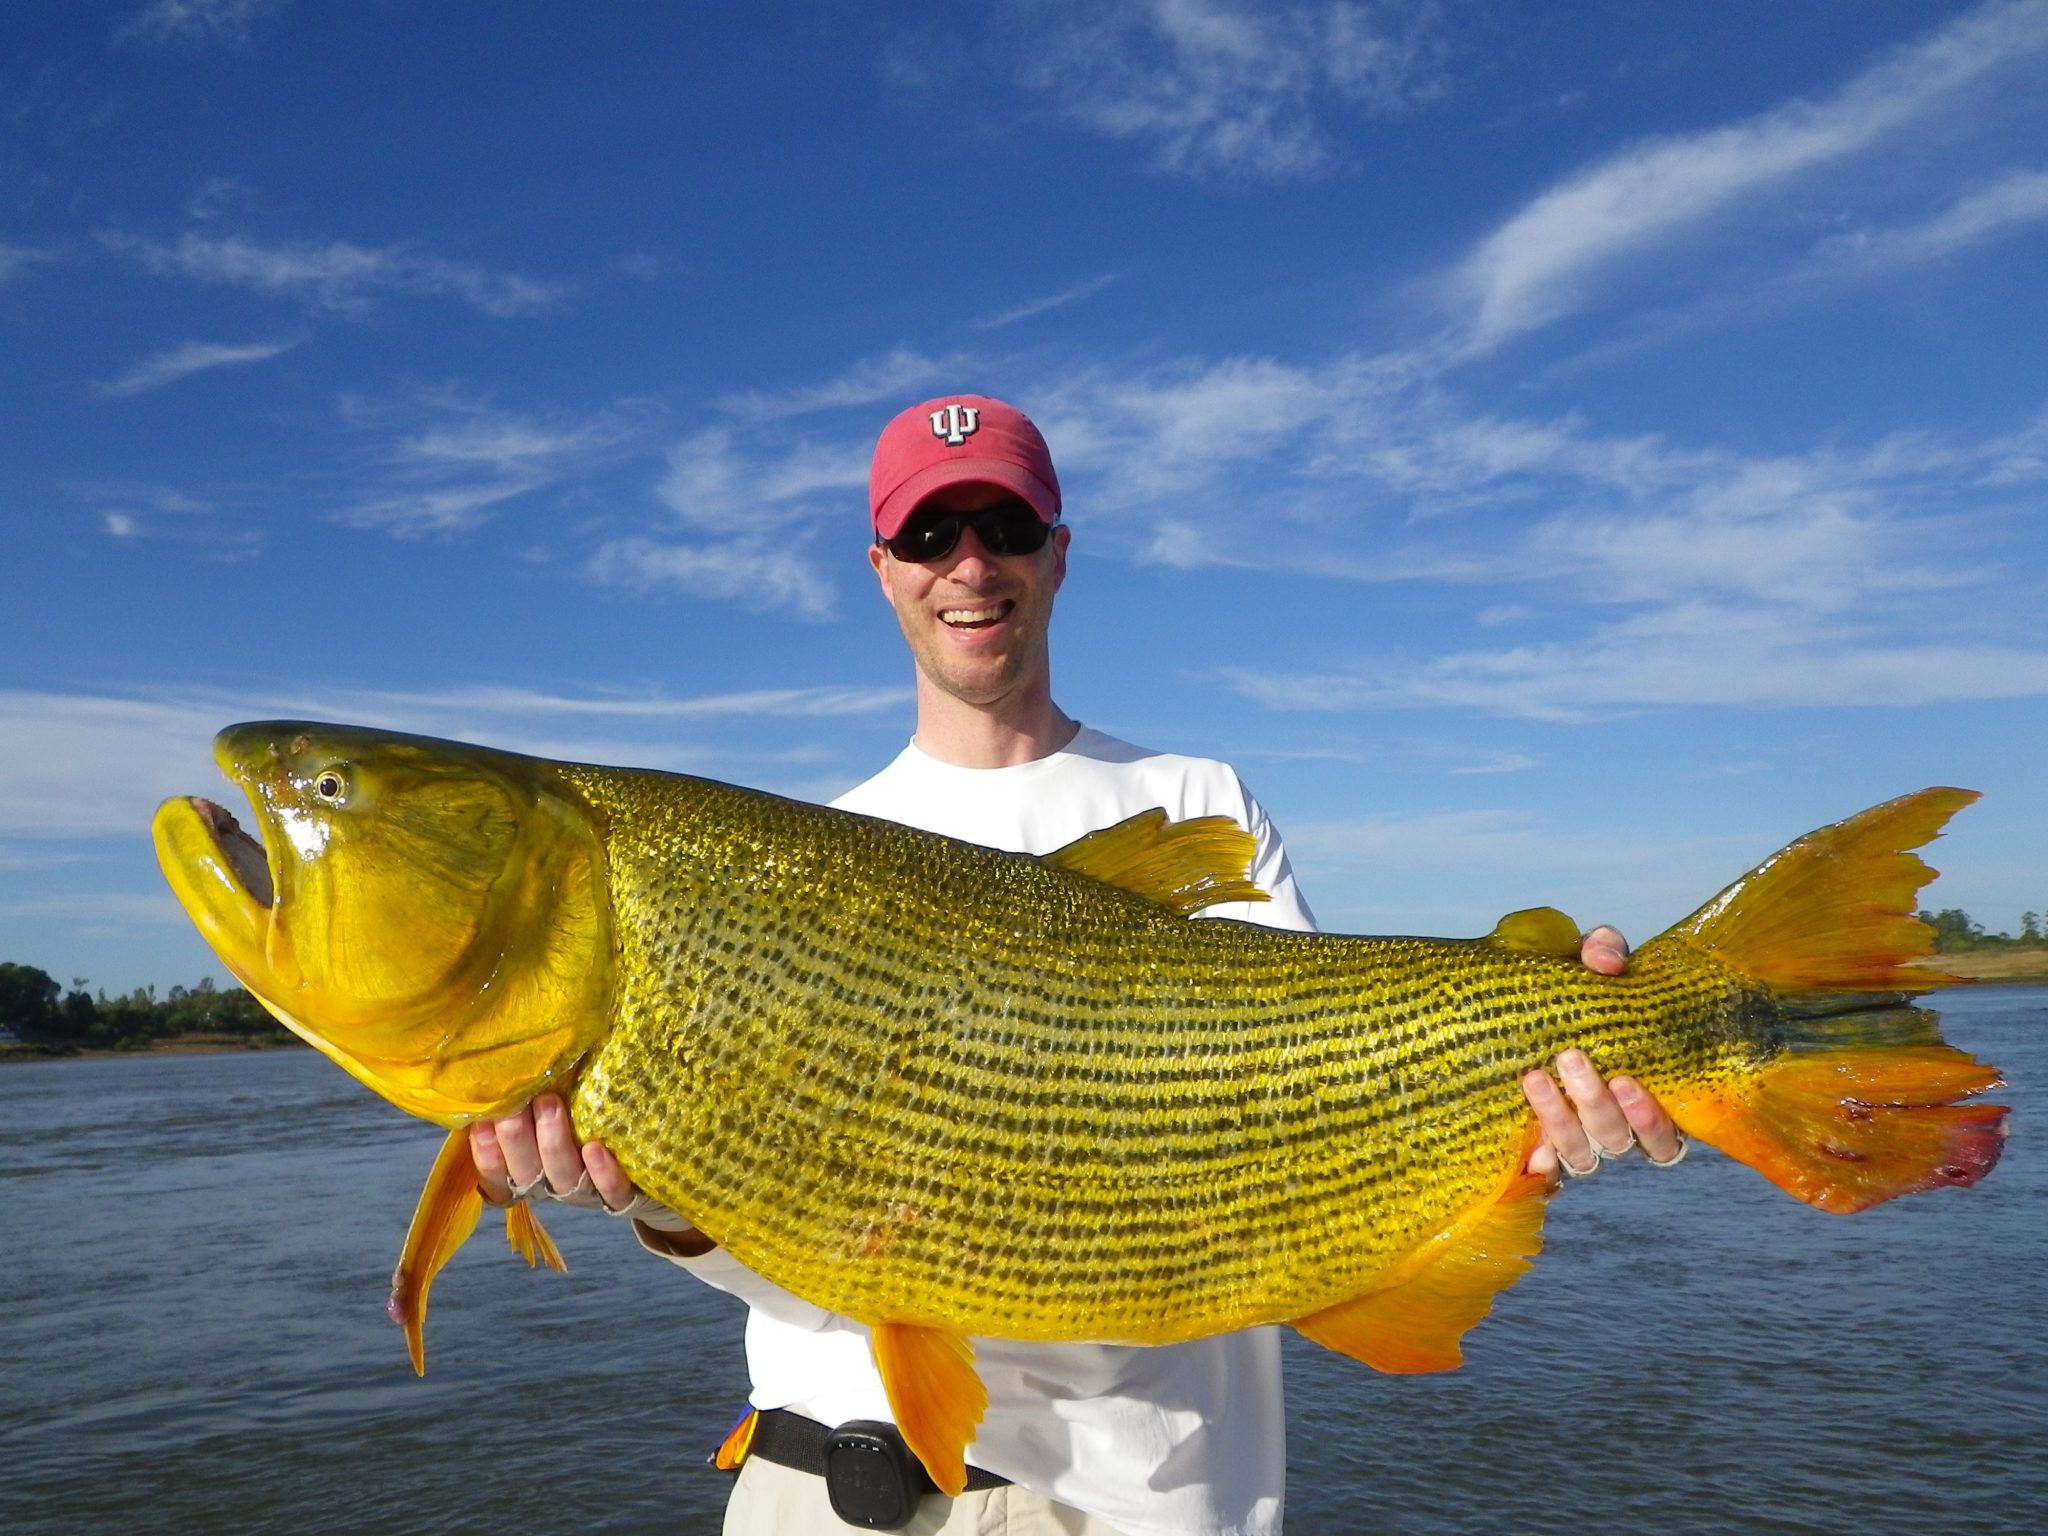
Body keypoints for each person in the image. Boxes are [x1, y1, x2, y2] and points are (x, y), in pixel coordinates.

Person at [472, 395, 1685, 1534]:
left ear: (1055, 552)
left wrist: (1553, 1072)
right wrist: (656, 1200)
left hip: (1130, 1504)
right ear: (881, 567)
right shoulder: (801, 858)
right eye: (928, 530)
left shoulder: (1195, 798)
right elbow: (783, 1235)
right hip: (817, 1486)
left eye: (1001, 525)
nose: (968, 560)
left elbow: (1293, 1118)